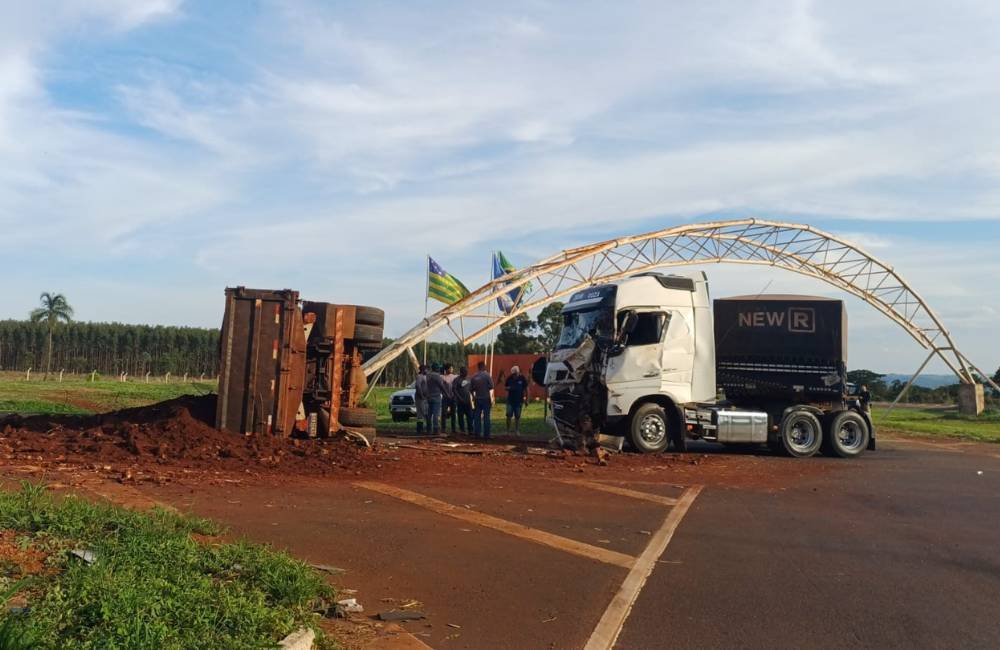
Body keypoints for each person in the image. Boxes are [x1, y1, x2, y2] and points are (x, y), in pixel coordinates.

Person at [470, 361, 494, 440]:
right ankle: (486, 435)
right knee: (486, 417)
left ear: (478, 367)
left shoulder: (474, 376)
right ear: (483, 367)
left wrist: (473, 396)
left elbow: (471, 389)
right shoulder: (487, 375)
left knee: (477, 417)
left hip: (477, 398)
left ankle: (477, 434)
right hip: (486, 398)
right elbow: (491, 386)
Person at [425, 363, 449, 435]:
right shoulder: (437, 376)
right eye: (439, 368)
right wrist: (447, 394)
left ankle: (428, 429)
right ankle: (436, 429)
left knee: (429, 414)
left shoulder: (428, 375)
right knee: (436, 414)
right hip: (436, 396)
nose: (439, 369)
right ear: (437, 369)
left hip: (429, 396)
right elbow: (441, 386)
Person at [504, 365, 529, 435]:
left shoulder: (522, 378)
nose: (514, 375)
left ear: (518, 372)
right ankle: (507, 430)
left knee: (517, 416)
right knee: (508, 415)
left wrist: (527, 399)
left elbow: (527, 389)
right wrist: (508, 389)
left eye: (515, 374)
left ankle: (517, 430)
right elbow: (505, 387)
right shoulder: (509, 378)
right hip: (510, 400)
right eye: (513, 374)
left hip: (519, 400)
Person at [452, 366, 473, 434]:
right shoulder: (457, 379)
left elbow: (471, 389)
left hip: (467, 400)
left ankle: (470, 430)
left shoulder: (469, 379)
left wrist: (473, 396)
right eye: (465, 371)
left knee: (469, 416)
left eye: (467, 371)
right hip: (460, 401)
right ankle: (462, 430)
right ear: (461, 372)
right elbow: (454, 390)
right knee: (460, 416)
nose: (466, 372)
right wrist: (459, 398)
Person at [441, 363, 458, 433]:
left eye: (452, 368)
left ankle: (453, 429)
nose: (451, 369)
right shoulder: (442, 377)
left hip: (453, 397)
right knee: (444, 413)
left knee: (453, 413)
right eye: (450, 368)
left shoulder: (455, 377)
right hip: (445, 397)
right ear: (446, 369)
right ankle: (443, 428)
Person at [414, 365, 428, 434]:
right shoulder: (419, 376)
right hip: (420, 398)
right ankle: (419, 429)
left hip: (425, 398)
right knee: (420, 414)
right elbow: (418, 386)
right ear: (423, 370)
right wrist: (421, 395)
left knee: (425, 413)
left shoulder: (425, 377)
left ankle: (424, 428)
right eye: (426, 369)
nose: (427, 371)